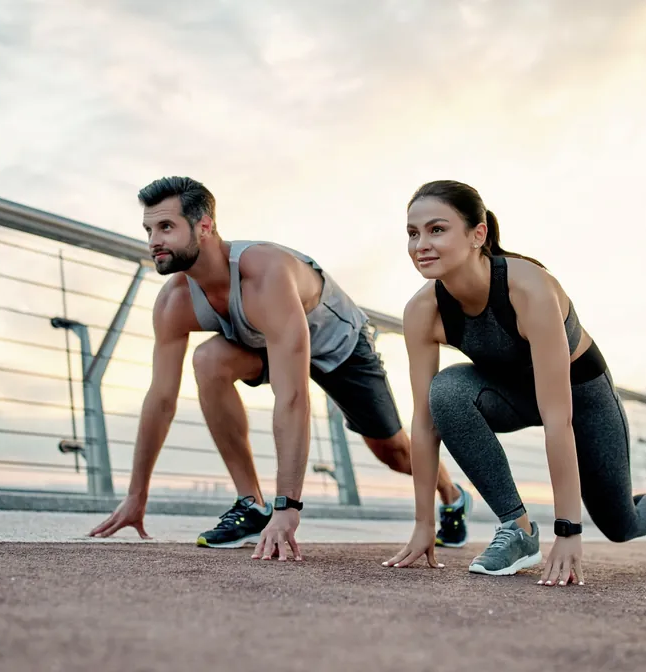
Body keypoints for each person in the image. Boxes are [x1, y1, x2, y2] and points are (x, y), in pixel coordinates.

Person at [89, 176, 472, 560]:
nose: (154, 240)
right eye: (149, 230)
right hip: (265, 343)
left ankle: (452, 497)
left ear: (204, 226)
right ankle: (251, 504)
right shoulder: (174, 301)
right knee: (208, 360)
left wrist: (288, 507)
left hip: (338, 347)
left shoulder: (265, 274)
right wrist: (136, 495)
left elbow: (292, 397)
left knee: (393, 452)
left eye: (166, 227)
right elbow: (160, 400)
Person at [382, 179, 646, 586]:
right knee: (444, 392)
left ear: (478, 234)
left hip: (582, 396)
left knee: (621, 524)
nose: (421, 244)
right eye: (413, 233)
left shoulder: (529, 288)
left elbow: (558, 418)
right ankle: (516, 529)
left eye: (437, 229)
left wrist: (568, 531)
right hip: (512, 393)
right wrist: (423, 524)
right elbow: (425, 425)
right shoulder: (422, 310)